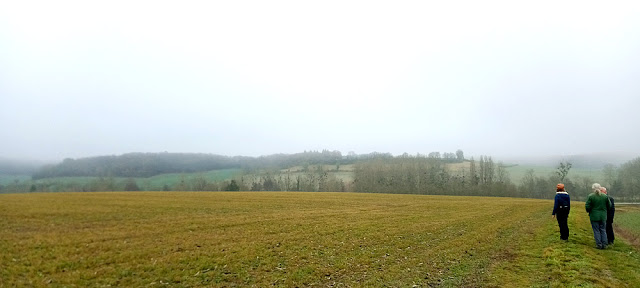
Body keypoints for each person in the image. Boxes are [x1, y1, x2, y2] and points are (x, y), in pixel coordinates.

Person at [585, 183, 612, 249]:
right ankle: (604, 244)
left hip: (594, 216)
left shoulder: (591, 196)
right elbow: (609, 205)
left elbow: (587, 206)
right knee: (603, 230)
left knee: (596, 230)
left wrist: (589, 211)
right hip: (603, 216)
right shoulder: (605, 196)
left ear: (593, 189)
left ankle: (599, 244)